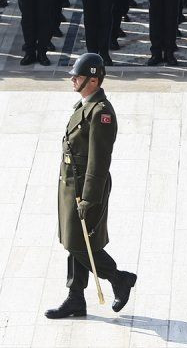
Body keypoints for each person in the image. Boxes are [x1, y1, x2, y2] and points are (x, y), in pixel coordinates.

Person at [46, 53, 137, 319]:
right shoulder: (84, 105)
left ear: (94, 80)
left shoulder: (101, 112)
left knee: (79, 244)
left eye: (79, 76)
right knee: (73, 241)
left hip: (85, 188)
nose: (73, 79)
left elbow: (99, 160)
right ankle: (75, 298)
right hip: (70, 186)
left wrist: (89, 198)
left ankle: (119, 278)